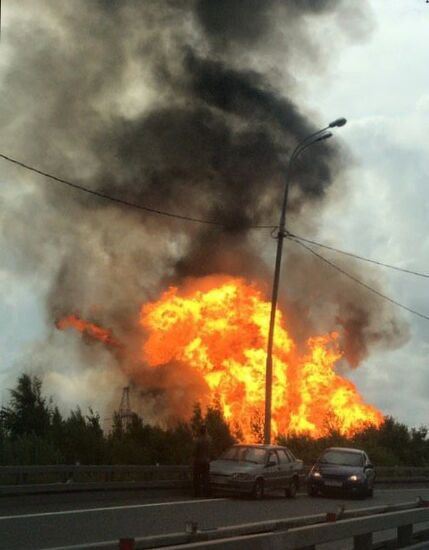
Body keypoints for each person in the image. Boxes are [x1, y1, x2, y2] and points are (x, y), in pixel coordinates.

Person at [192, 424, 211, 497]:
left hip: (198, 461)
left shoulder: (198, 440)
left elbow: (194, 451)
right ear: (205, 431)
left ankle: (197, 493)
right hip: (206, 461)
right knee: (206, 477)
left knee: (196, 477)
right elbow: (211, 450)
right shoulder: (209, 439)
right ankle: (206, 493)